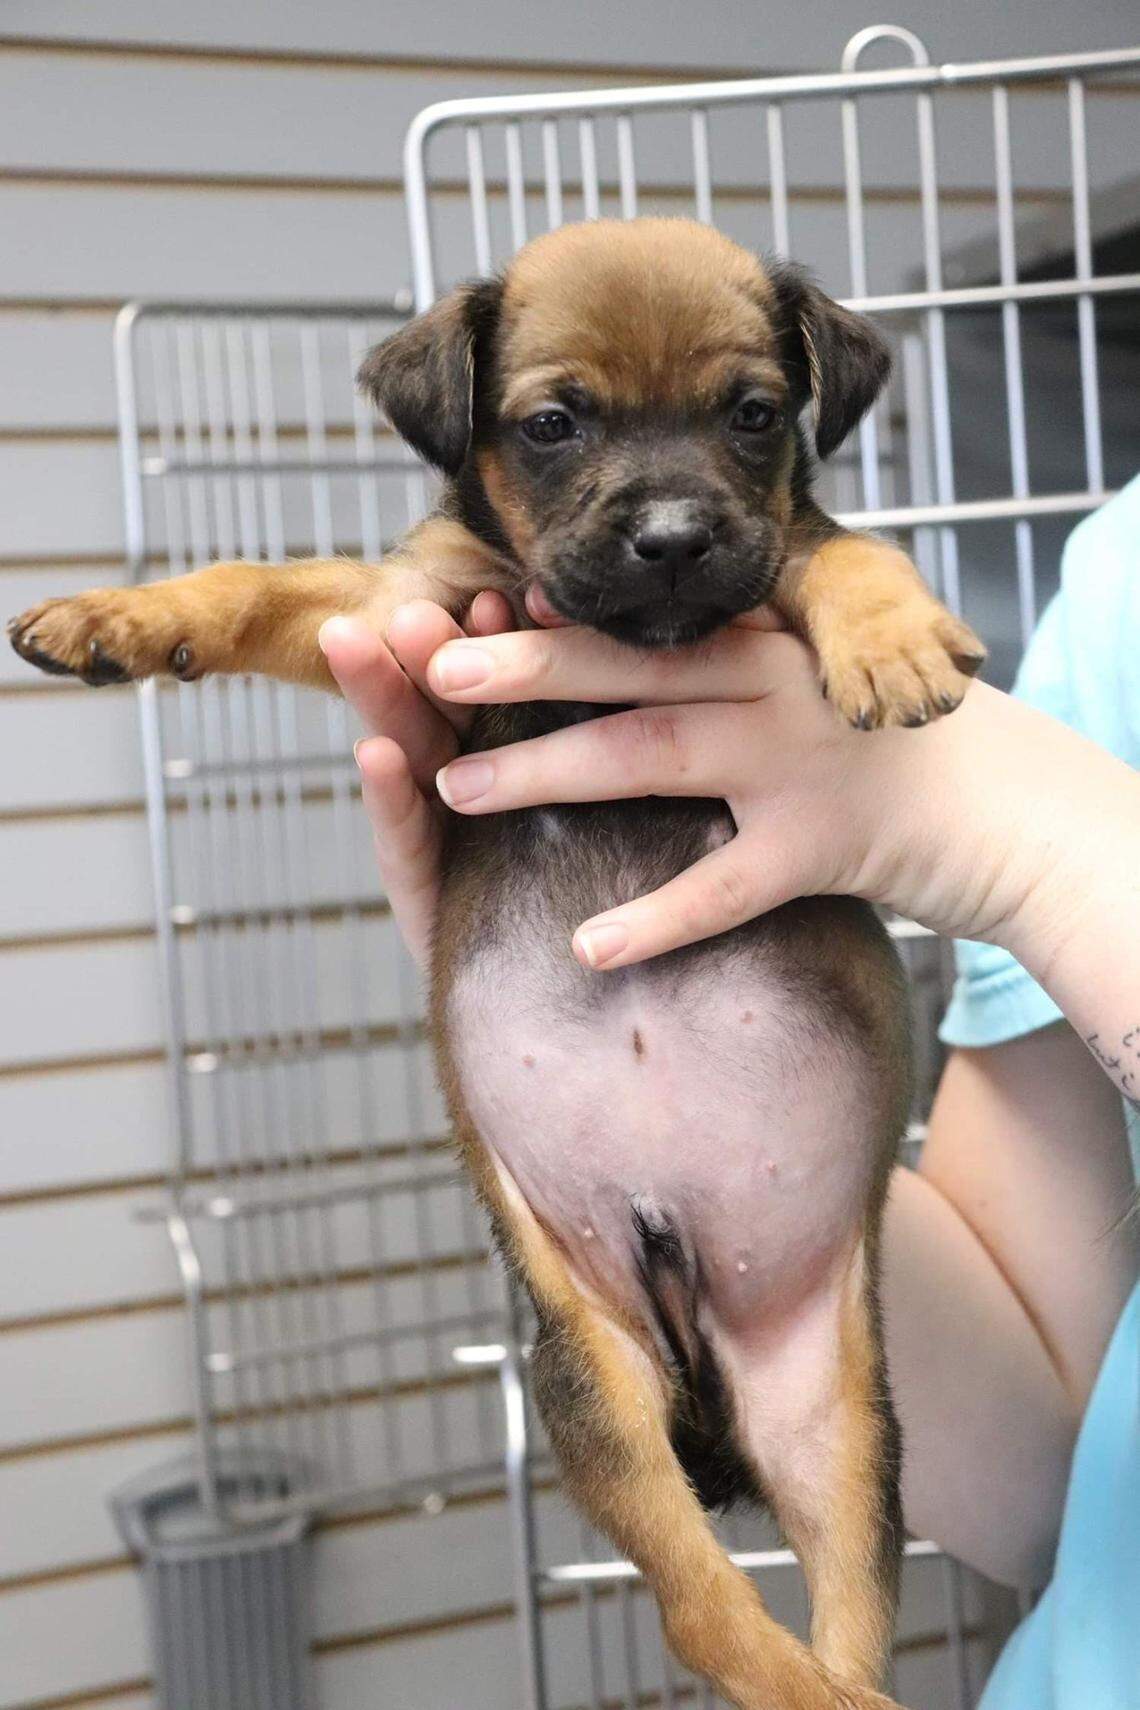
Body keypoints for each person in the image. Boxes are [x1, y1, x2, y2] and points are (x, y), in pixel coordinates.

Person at [318, 477, 1140, 1709]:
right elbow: (1044, 1477)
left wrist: (1044, 851)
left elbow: (1024, 837)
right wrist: (595, 1034)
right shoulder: (1120, 581)